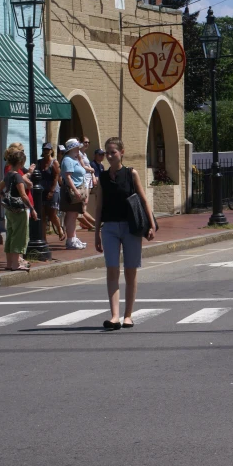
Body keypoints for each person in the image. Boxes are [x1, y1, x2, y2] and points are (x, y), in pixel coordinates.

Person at [94, 136, 156, 330]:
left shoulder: (131, 174)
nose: (110, 156)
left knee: (130, 271)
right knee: (112, 269)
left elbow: (144, 200)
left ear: (122, 153)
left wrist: (151, 224)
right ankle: (114, 316)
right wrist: (96, 232)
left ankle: (128, 315)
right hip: (110, 227)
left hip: (131, 227)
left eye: (113, 152)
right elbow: (99, 206)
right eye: (107, 153)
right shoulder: (103, 177)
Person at [0, 148, 37, 271]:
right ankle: (16, 264)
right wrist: (32, 209)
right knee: (19, 236)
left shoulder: (8, 175)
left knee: (10, 234)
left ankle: (9, 263)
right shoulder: (18, 176)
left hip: (9, 210)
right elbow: (23, 195)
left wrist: (5, 197)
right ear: (20, 163)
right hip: (19, 210)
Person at [60, 138, 89, 250]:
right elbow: (68, 177)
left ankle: (73, 237)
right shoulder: (67, 160)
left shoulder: (74, 159)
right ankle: (71, 239)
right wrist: (76, 190)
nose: (78, 150)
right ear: (71, 149)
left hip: (78, 188)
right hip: (72, 191)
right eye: (77, 148)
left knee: (74, 215)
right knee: (71, 215)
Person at [37, 142, 65, 241]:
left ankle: (59, 229)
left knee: (52, 213)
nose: (46, 151)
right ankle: (43, 239)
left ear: (51, 151)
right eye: (44, 149)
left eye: (48, 150)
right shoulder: (39, 162)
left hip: (53, 190)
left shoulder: (54, 162)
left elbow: (56, 177)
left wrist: (51, 191)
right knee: (43, 215)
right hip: (42, 190)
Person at [87, 148, 106, 224]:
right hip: (94, 187)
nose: (102, 156)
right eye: (100, 154)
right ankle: (96, 221)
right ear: (95, 155)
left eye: (103, 155)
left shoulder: (101, 165)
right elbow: (95, 176)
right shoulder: (92, 164)